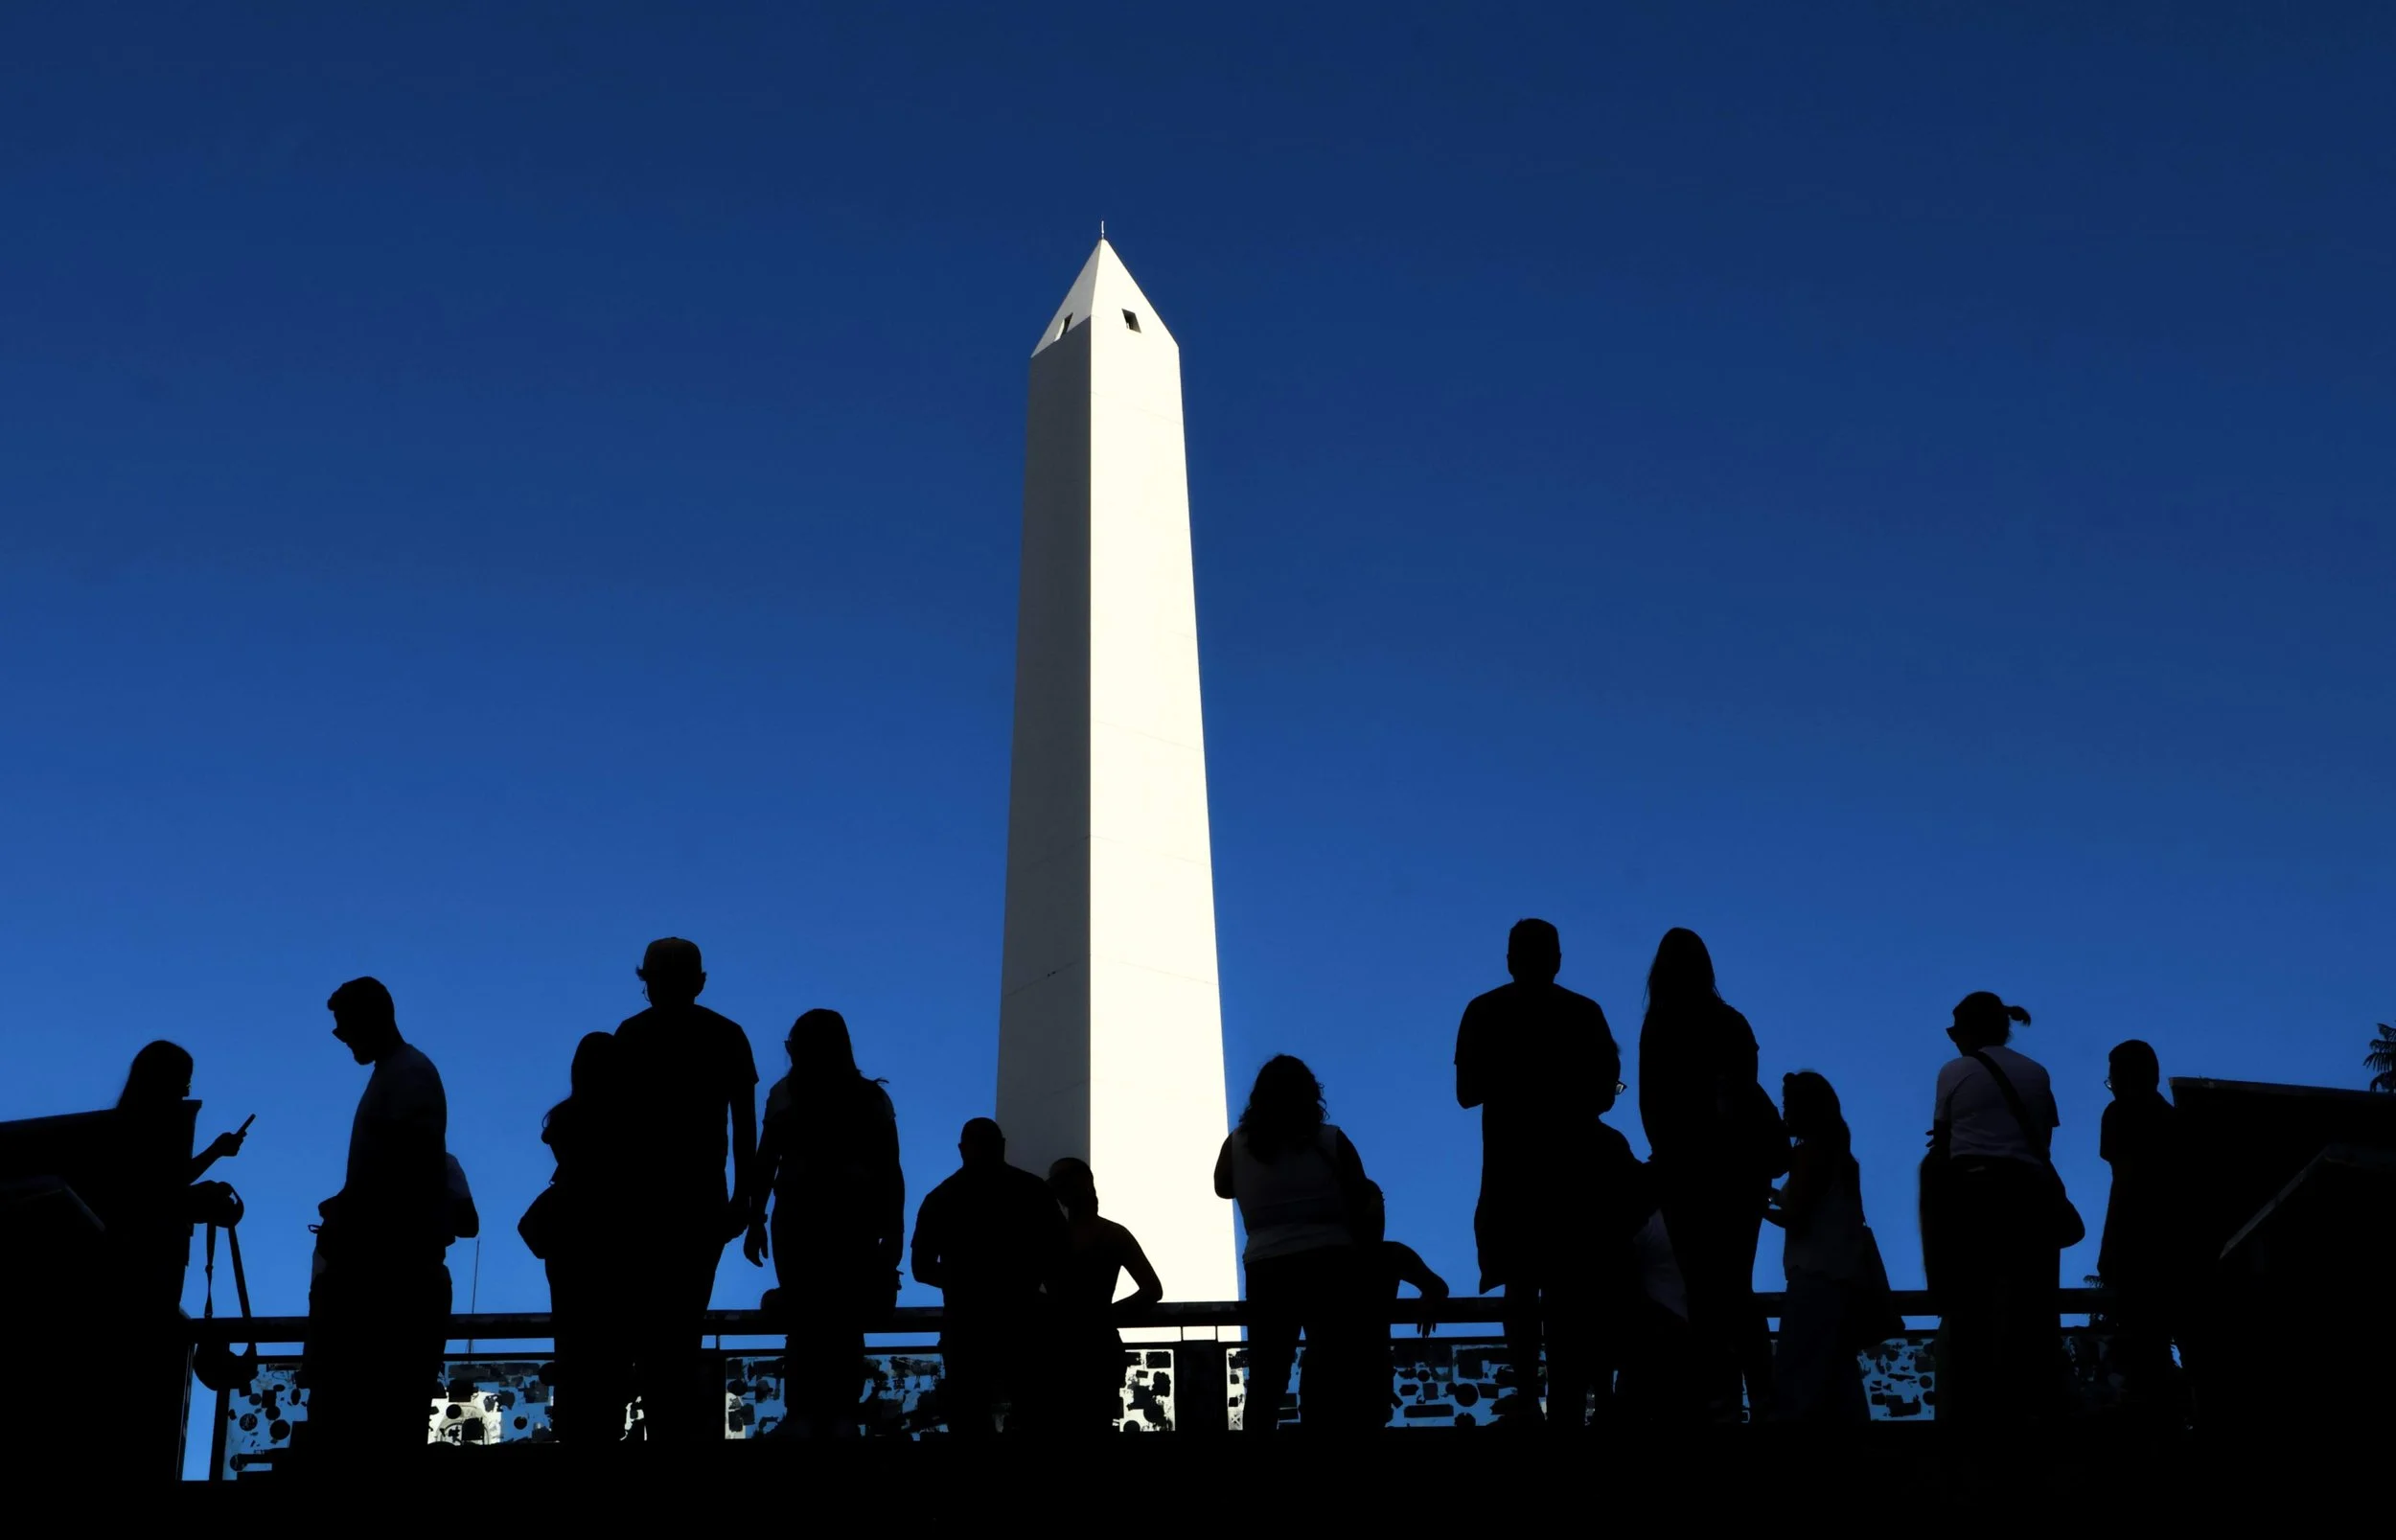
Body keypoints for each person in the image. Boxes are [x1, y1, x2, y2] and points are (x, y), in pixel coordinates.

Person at [1455, 919, 1621, 1428]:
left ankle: (1530, 1394)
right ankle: (1585, 1399)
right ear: (1557, 959)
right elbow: (1601, 1097)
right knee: (1575, 1290)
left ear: (1510, 959)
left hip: (1510, 1173)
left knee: (1521, 1288)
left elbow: (1466, 1092)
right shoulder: (1583, 1014)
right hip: (1573, 1176)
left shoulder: (1485, 1011)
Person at [611, 937, 759, 1444]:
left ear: (646, 982)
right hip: (700, 1204)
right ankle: (676, 1437)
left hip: (642, 1207)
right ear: (700, 982)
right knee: (682, 1325)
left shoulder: (631, 1036)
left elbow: (612, 1129)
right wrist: (746, 1202)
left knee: (649, 1328)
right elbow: (745, 1128)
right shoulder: (725, 1035)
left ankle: (658, 1430)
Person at [1637, 927, 1786, 1422]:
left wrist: (1669, 1154)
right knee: (1736, 1283)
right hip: (1740, 1173)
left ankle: (1719, 1394)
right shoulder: (1732, 1022)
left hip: (1685, 1173)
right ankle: (1762, 1393)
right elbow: (1746, 1091)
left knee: (1701, 1286)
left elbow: (1651, 1105)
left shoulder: (1660, 1023)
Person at [302, 977, 452, 1464]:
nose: (339, 1035)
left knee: (375, 1422)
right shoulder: (401, 1073)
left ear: (370, 1019)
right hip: (389, 1272)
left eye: (343, 1025)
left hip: (388, 1280)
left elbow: (404, 1175)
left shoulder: (405, 1075)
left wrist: (353, 1210)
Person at [743, 1009, 905, 1438]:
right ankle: (840, 1414)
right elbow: (892, 1171)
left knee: (804, 1317)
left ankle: (803, 1412)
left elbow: (765, 1162)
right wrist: (893, 1233)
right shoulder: (871, 1100)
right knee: (844, 1319)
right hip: (854, 1223)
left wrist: (755, 1219)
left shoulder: (785, 1096)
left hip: (797, 1219)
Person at [1214, 1055, 1377, 1432]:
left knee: (1269, 1371)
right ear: (1310, 1095)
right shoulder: (1331, 1140)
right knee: (1329, 1362)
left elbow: (1223, 1188)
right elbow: (1361, 1193)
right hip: (1331, 1261)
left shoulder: (1237, 1145)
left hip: (1266, 1264)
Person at [1927, 991, 2065, 1425]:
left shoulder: (1955, 1072)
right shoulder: (2037, 1073)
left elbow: (1942, 1143)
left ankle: (1970, 1415)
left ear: (1969, 1029)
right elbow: (2042, 1139)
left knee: (1972, 1310)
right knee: (2028, 1313)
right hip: (2031, 1201)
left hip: (1975, 1199)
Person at [910, 1118, 1069, 1435]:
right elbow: (1059, 1258)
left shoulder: (941, 1198)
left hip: (967, 1325)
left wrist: (965, 1282)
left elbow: (922, 1268)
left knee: (969, 1417)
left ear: (962, 1149)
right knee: (1035, 1413)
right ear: (1002, 1146)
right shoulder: (1032, 1190)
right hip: (1025, 1322)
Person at [1764, 1071, 1878, 1423]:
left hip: (1813, 1276)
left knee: (1796, 1374)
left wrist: (1749, 1202)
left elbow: (1795, 1214)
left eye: (1788, 1106)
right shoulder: (1842, 1160)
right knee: (1838, 1374)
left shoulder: (1809, 1156)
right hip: (1843, 1278)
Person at [538, 1031, 634, 1444]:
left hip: (570, 1248)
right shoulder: (631, 1124)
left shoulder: (565, 1121)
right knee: (611, 1353)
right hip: (616, 1249)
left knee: (573, 1344)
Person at [2099, 1039, 2198, 1425]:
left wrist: (2111, 1247)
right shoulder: (2175, 1119)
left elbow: (2122, 1180)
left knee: (2143, 1343)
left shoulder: (2117, 1115)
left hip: (2135, 1245)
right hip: (2177, 1245)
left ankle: (2156, 1424)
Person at [1044, 1158, 1163, 1434]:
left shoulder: (1049, 1239)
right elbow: (1152, 1290)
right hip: (1100, 1345)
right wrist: (1105, 1315)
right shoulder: (1113, 1234)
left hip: (1056, 1347)